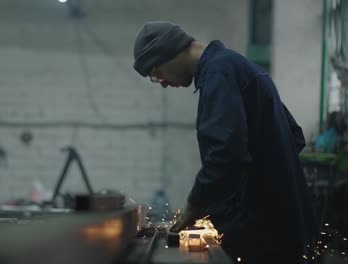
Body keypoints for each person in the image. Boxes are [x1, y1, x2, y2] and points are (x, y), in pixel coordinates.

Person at [133, 21, 316, 264]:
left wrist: (194, 205)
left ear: (168, 53)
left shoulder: (219, 73)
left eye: (156, 74)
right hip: (284, 224)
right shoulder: (235, 65)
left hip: (263, 236)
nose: (163, 83)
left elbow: (224, 154)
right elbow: (294, 136)